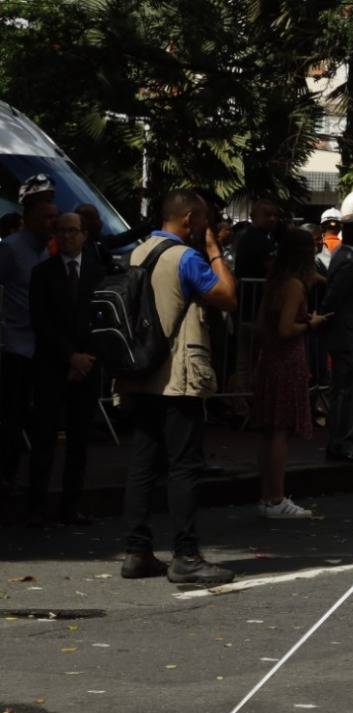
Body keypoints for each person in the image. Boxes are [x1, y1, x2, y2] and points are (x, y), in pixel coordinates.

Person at [118, 189, 238, 584]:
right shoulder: (186, 258)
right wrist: (215, 251)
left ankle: (137, 551)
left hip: (137, 375)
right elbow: (227, 297)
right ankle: (185, 556)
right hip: (175, 377)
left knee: (141, 465)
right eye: (202, 219)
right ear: (188, 220)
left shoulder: (136, 253)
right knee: (183, 466)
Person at [24, 210, 102, 526]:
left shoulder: (98, 272)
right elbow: (41, 321)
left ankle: (71, 505)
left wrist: (86, 358)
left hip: (87, 366)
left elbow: (103, 319)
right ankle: (36, 506)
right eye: (63, 231)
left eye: (74, 231)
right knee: (44, 437)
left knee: (79, 440)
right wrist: (70, 356)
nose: (68, 237)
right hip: (53, 364)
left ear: (85, 234)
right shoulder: (43, 273)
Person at [250, 227, 327, 519]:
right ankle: (277, 497)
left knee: (268, 431)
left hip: (269, 358)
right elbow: (286, 329)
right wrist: (311, 323)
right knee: (280, 430)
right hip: (287, 358)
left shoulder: (275, 282)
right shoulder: (294, 285)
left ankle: (267, 497)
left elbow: (261, 326)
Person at [0, 175, 58, 501]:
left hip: (43, 348)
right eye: (46, 218)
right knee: (13, 415)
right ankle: (6, 476)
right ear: (30, 219)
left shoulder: (49, 253)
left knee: (42, 420)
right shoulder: (11, 250)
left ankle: (34, 486)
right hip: (16, 346)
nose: (52, 223)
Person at [321, 206, 353, 462]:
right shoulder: (349, 261)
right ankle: (342, 442)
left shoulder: (350, 258)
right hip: (347, 337)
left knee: (349, 391)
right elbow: (333, 299)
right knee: (346, 393)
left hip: (352, 335)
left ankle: (343, 441)